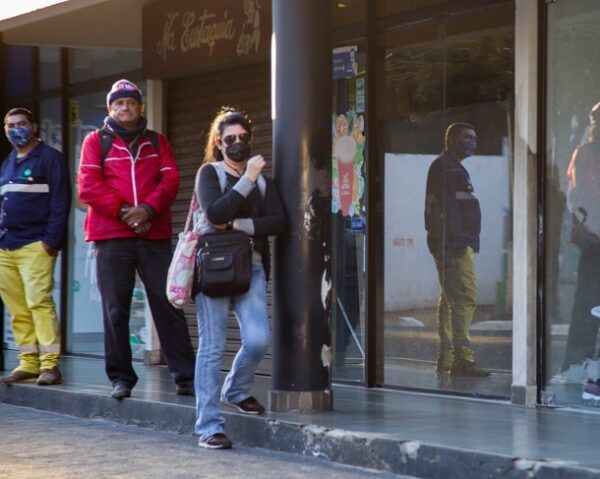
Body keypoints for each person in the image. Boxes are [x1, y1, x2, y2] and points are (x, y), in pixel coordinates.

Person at [78, 79, 195, 399]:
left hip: (152, 232)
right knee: (116, 310)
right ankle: (121, 379)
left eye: (130, 102)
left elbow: (170, 180)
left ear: (141, 107)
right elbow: (88, 186)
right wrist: (126, 214)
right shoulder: (94, 142)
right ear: (109, 109)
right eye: (119, 103)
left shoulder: (158, 142)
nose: (125, 107)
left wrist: (147, 210)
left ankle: (186, 376)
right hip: (111, 235)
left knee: (168, 304)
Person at [193, 107, 284, 449]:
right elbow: (215, 212)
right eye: (230, 139)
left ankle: (236, 389)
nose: (238, 143)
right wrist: (245, 180)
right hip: (214, 268)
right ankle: (208, 427)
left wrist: (235, 226)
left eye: (243, 138)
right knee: (212, 348)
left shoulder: (263, 180)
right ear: (218, 143)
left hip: (253, 268)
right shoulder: (210, 173)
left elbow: (277, 222)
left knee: (259, 338)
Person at [0, 107, 70, 386]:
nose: (17, 129)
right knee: (17, 308)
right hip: (6, 246)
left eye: (22, 123)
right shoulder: (7, 162)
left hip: (36, 245)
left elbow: (60, 202)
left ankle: (50, 365)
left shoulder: (50, 159)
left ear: (34, 126)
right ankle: (28, 361)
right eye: (10, 125)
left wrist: (50, 242)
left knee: (39, 302)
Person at [424, 122, 490, 377]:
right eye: (466, 137)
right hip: (454, 246)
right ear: (450, 138)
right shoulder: (448, 168)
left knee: (450, 300)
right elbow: (447, 211)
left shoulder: (450, 167)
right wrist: (459, 242)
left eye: (474, 138)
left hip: (452, 244)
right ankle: (462, 359)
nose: (472, 142)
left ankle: (448, 358)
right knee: (464, 299)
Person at [560, 102, 600, 402]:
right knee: (588, 304)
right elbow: (580, 196)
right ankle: (577, 368)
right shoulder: (586, 154)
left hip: (594, 237)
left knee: (588, 304)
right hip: (595, 240)